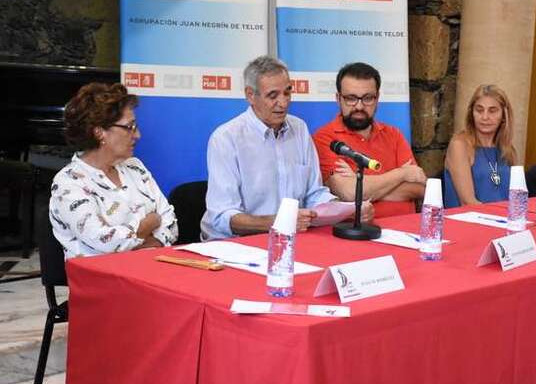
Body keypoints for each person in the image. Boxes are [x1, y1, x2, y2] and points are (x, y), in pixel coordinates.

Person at [201, 57, 372, 240]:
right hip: (235, 245)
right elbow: (222, 217)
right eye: (273, 95)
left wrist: (346, 210)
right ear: (250, 95)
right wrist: (279, 221)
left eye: (287, 93)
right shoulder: (226, 139)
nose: (283, 103)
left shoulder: (299, 129)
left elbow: (313, 194)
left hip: (290, 239)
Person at [49, 83, 178, 259]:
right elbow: (103, 242)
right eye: (129, 127)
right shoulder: (69, 182)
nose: (137, 134)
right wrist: (148, 225)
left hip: (152, 268)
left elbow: (170, 223)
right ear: (99, 132)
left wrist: (139, 243)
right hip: (100, 281)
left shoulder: (135, 167)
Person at [312, 62, 425, 218]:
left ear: (377, 98)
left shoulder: (394, 134)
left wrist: (362, 185)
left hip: (408, 229)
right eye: (351, 98)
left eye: (367, 98)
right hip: (360, 234)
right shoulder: (325, 138)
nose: (359, 106)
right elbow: (349, 193)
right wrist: (401, 174)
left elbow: (419, 187)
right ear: (338, 99)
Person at [443, 85, 517, 207]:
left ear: (504, 115)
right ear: (471, 113)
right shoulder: (459, 145)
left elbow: (515, 197)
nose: (485, 117)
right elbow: (467, 202)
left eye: (492, 111)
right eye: (479, 110)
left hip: (504, 220)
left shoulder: (507, 149)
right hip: (470, 221)